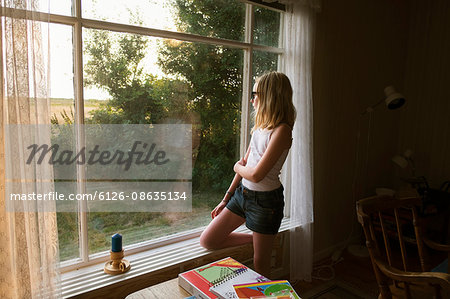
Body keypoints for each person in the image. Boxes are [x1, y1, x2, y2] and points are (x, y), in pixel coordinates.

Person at [199, 71, 296, 277]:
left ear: (269, 96)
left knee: (260, 265)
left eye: (255, 94)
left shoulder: (282, 131)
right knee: (208, 240)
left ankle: (264, 242)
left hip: (266, 203)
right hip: (242, 195)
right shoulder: (260, 127)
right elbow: (246, 165)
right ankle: (263, 239)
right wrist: (226, 198)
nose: (252, 99)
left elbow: (256, 174)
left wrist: (236, 167)